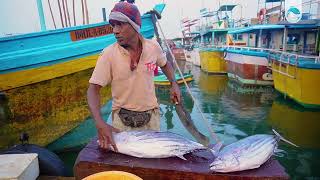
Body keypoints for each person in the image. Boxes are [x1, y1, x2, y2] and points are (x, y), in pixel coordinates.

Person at [87, 1, 181, 151]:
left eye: (120, 25)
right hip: (122, 125)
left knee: (153, 166)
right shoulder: (108, 54)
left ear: (134, 26)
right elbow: (93, 90)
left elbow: (165, 65)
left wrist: (174, 83)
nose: (115, 31)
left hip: (152, 120)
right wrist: (99, 122)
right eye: (113, 25)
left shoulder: (153, 48)